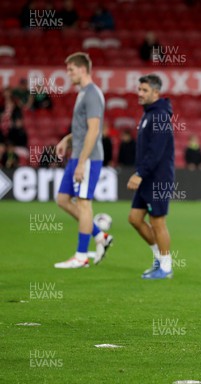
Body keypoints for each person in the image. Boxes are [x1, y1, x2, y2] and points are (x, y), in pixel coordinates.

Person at [54, 52, 113, 269]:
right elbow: (82, 129)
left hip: (87, 158)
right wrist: (66, 139)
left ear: (82, 69)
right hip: (77, 154)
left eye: (70, 69)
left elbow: (94, 130)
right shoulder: (83, 93)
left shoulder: (92, 94)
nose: (68, 74)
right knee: (62, 199)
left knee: (84, 203)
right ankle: (100, 236)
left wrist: (81, 163)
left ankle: (81, 256)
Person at [127, 74, 176, 279]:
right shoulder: (149, 114)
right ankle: (159, 258)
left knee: (157, 222)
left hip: (158, 178)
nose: (140, 93)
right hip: (148, 177)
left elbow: (156, 150)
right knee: (135, 218)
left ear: (156, 93)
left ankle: (166, 267)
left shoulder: (160, 115)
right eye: (139, 89)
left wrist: (140, 173)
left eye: (144, 90)